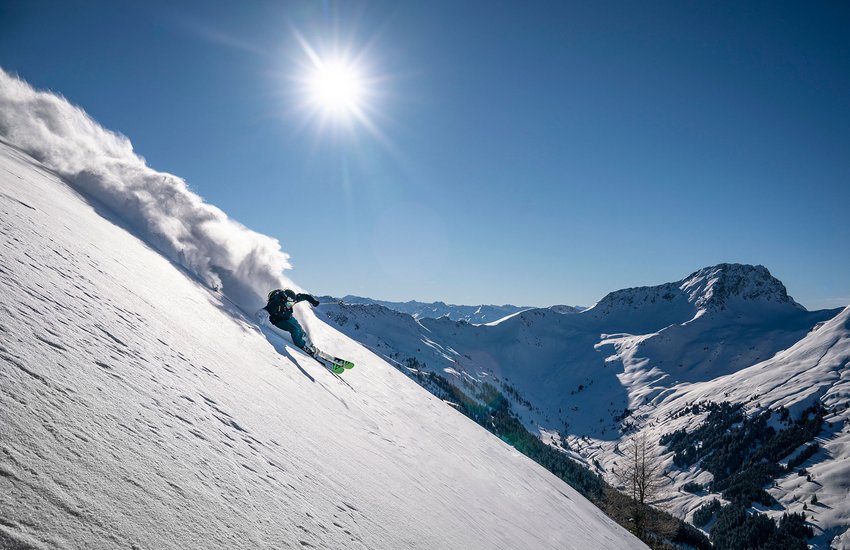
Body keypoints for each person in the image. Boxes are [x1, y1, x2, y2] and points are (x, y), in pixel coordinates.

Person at [262, 289, 320, 355]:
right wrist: (260, 319)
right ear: (284, 300)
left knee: (300, 329)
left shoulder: (291, 300)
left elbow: (304, 296)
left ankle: (309, 344)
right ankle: (302, 346)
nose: (290, 305)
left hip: (288, 317)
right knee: (295, 329)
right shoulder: (276, 303)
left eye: (292, 304)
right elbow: (265, 310)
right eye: (289, 304)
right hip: (278, 321)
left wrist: (313, 301)